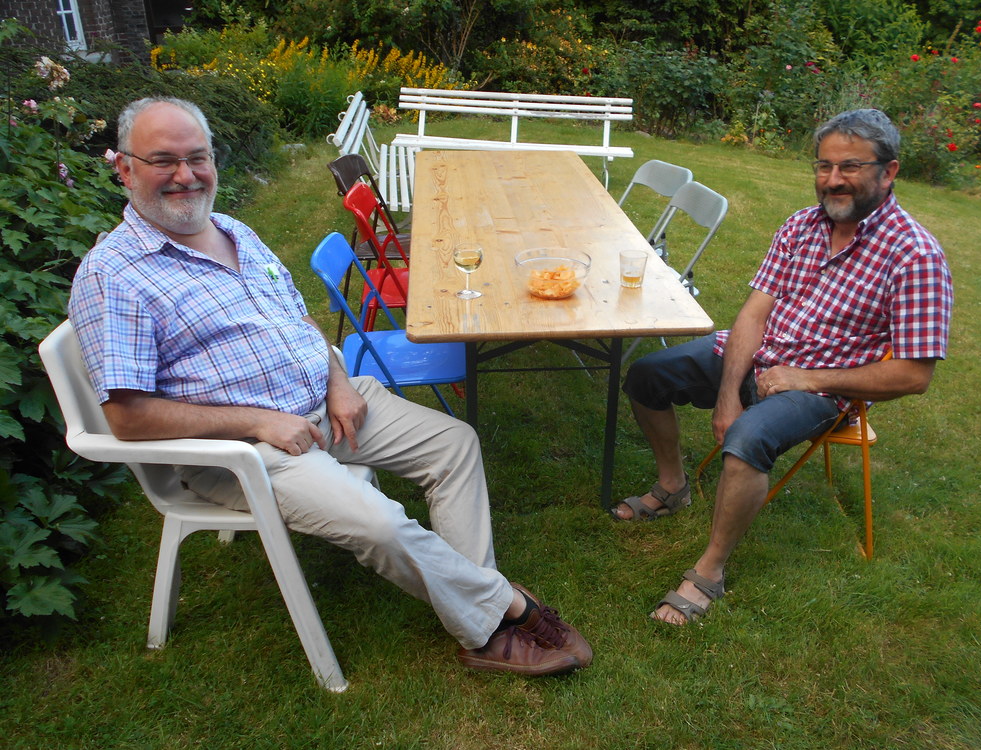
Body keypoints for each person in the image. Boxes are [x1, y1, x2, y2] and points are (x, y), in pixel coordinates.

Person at [68, 97, 592, 675]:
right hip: (247, 449)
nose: (186, 175)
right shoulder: (113, 275)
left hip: (327, 404)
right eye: (163, 160)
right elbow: (128, 418)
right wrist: (257, 422)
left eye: (197, 157)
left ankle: (475, 608)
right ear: (125, 168)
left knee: (455, 444)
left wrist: (338, 379)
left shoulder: (233, 231)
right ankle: (503, 613)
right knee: (380, 523)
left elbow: (299, 320)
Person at [611, 109, 953, 625]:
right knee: (646, 376)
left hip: (822, 388)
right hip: (759, 354)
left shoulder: (916, 255)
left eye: (850, 167)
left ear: (889, 172)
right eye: (824, 166)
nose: (833, 180)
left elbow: (913, 375)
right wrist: (728, 394)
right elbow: (754, 313)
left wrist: (806, 378)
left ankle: (709, 571)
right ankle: (673, 486)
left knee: (748, 438)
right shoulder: (801, 225)